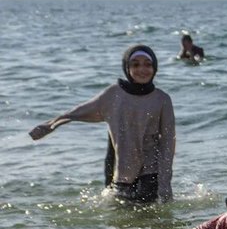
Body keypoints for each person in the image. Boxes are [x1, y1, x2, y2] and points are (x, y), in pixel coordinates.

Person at [29, 44, 175, 205]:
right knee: (122, 225)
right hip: (123, 173)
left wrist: (165, 181)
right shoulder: (113, 94)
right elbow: (78, 111)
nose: (142, 69)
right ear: (127, 67)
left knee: (150, 221)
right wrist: (52, 124)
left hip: (151, 172)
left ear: (155, 67)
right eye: (135, 64)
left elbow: (168, 141)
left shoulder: (162, 99)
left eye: (148, 64)